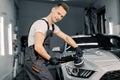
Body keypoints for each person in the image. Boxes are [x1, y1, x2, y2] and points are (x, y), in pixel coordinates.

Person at [24, 3, 84, 80]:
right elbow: (38, 47)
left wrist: (76, 47)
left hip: (39, 58)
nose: (59, 17)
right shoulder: (42, 24)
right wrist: (50, 59)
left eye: (62, 16)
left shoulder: (52, 26)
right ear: (53, 10)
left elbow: (66, 37)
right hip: (33, 59)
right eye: (58, 13)